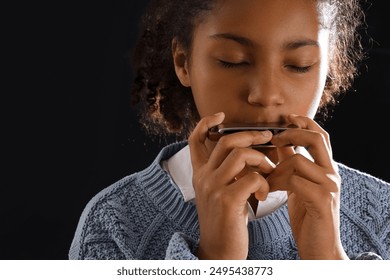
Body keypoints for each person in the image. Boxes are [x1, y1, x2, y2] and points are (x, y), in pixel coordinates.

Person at [69, 0, 390, 260]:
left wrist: (329, 262)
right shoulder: (113, 223)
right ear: (183, 62)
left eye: (298, 64)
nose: (265, 95)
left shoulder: (382, 215)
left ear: (327, 66)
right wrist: (214, 260)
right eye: (233, 60)